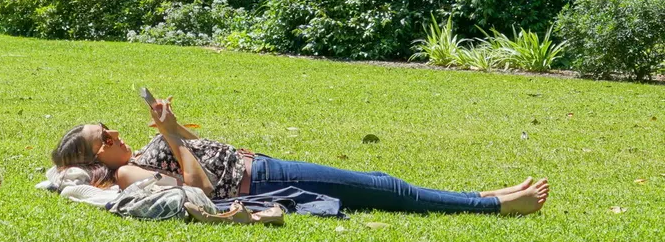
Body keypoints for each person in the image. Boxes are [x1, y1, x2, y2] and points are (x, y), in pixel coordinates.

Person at [50, 95, 550, 217]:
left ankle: (480, 195)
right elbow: (199, 188)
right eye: (104, 135)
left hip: (258, 165)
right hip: (261, 179)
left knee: (377, 183)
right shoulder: (127, 172)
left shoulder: (132, 156)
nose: (115, 132)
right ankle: (495, 206)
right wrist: (172, 137)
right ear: (100, 154)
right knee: (380, 187)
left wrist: (170, 122)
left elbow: (191, 147)